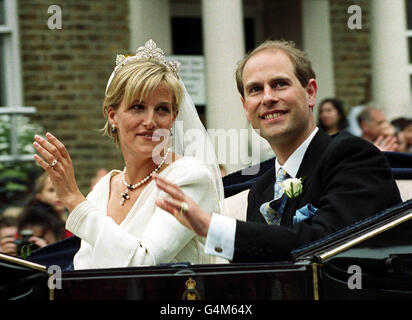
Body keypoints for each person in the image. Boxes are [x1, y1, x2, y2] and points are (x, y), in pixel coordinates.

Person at [154, 39, 402, 263]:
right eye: (255, 90)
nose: (268, 98)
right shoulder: (260, 189)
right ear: (245, 107)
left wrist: (214, 228)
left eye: (280, 84)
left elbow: (329, 244)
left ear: (310, 92)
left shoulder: (353, 156)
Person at [32, 40, 223, 269]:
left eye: (162, 109)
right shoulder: (102, 190)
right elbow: (83, 270)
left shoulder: (190, 176)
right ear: (113, 116)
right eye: (137, 107)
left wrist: (74, 199)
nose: (151, 121)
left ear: (173, 118)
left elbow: (144, 263)